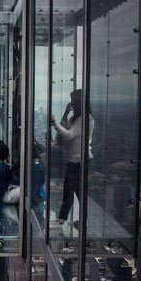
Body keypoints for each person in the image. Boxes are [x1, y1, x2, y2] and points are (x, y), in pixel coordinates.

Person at [51, 89, 94, 225]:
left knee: (74, 190)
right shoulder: (77, 118)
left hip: (80, 160)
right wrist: (65, 113)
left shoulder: (85, 118)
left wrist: (54, 123)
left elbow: (69, 134)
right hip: (75, 159)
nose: (72, 104)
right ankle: (68, 218)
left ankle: (72, 218)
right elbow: (65, 127)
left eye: (73, 101)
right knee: (71, 189)